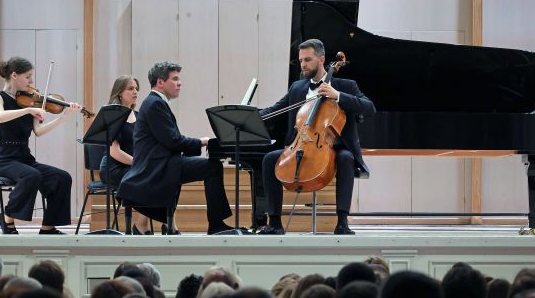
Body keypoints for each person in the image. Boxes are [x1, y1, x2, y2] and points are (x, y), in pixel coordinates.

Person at [258, 39, 375, 235]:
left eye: (308, 60)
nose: (303, 65)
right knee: (270, 159)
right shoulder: (297, 87)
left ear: (321, 59)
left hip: (334, 147)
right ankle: (275, 223)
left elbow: (370, 108)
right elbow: (275, 109)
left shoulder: (346, 85)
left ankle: (342, 222)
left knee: (346, 158)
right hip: (301, 144)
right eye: (300, 60)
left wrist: (338, 95)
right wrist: (251, 116)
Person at [117, 61, 233, 235]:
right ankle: (216, 225)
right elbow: (173, 141)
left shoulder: (154, 102)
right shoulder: (155, 104)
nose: (180, 83)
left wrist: (198, 144)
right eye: (175, 79)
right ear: (160, 82)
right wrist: (202, 142)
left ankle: (210, 224)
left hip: (162, 162)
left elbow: (171, 140)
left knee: (211, 166)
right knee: (213, 167)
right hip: (157, 166)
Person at [0, 56, 81, 234]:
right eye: (28, 76)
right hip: (3, 159)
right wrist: (29, 110)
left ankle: (48, 227)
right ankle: (7, 218)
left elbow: (38, 131)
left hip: (24, 158)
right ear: (14, 75)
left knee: (62, 177)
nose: (31, 81)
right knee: (31, 175)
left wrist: (64, 117)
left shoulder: (30, 100)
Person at [99, 76, 173, 235]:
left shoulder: (140, 115)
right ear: (120, 92)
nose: (135, 92)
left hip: (134, 166)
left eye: (137, 89)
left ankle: (157, 223)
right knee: (149, 176)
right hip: (114, 168)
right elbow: (114, 152)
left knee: (164, 173)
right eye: (130, 88)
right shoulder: (113, 115)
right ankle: (148, 225)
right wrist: (140, 164)